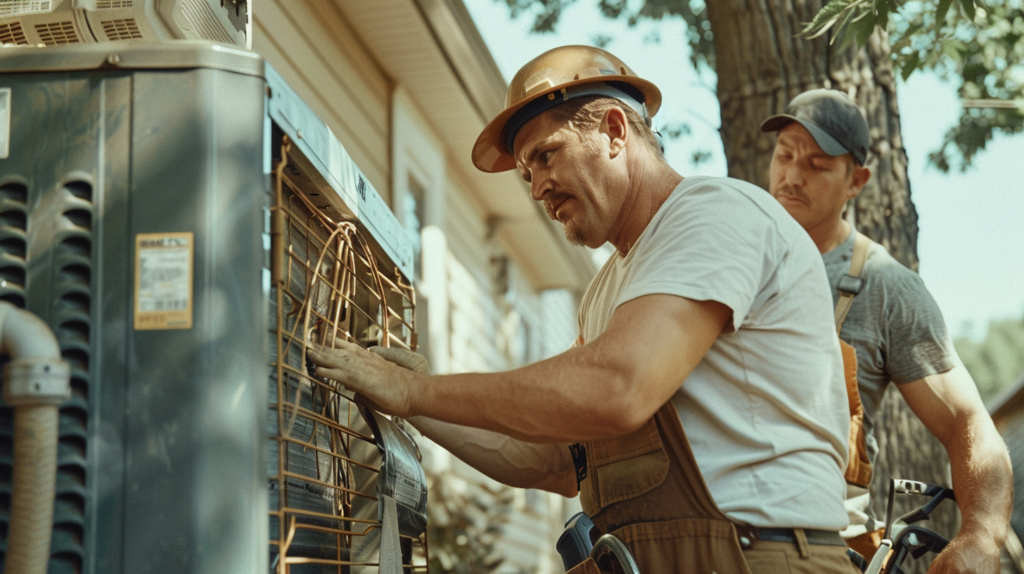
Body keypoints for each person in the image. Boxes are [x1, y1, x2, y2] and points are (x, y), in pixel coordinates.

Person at [310, 46, 861, 574]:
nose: (537, 189)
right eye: (527, 173)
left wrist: (414, 391)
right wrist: (419, 401)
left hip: (757, 557)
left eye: (546, 156)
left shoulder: (711, 214)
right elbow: (552, 459)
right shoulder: (608, 289)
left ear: (615, 131)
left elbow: (618, 388)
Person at [761, 89, 1013, 573]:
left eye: (816, 163)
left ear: (857, 181)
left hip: (817, 551)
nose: (791, 176)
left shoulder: (884, 286)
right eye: (784, 155)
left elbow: (969, 423)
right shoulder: (724, 262)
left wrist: (982, 535)